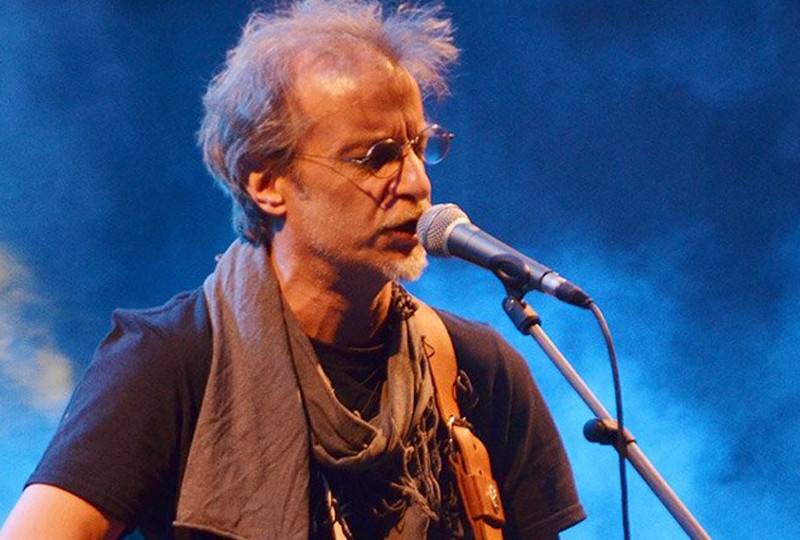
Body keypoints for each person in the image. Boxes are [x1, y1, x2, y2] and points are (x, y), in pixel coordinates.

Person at [1, 1, 585, 538]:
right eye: (376, 157)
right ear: (267, 183)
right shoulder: (169, 361)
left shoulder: (480, 371)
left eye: (418, 146)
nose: (417, 183)